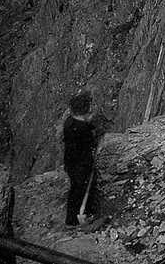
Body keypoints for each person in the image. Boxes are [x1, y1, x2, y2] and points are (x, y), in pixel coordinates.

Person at [61, 91, 101, 227]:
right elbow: (90, 141)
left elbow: (84, 125)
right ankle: (76, 218)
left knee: (76, 189)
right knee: (81, 190)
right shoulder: (83, 129)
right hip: (81, 165)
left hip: (70, 163)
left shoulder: (69, 122)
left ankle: (74, 217)